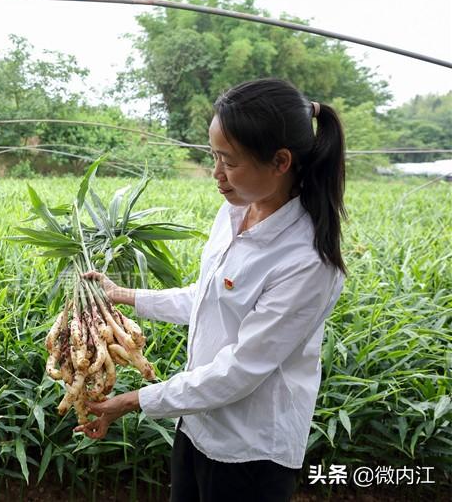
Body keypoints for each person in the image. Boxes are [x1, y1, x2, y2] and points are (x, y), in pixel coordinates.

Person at [75, 78, 347, 502]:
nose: (216, 175)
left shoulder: (307, 262)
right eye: (213, 156)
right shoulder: (235, 211)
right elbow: (210, 299)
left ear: (280, 161)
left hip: (250, 452)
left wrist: (133, 401)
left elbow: (239, 371)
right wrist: (123, 295)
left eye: (230, 162)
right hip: (198, 424)